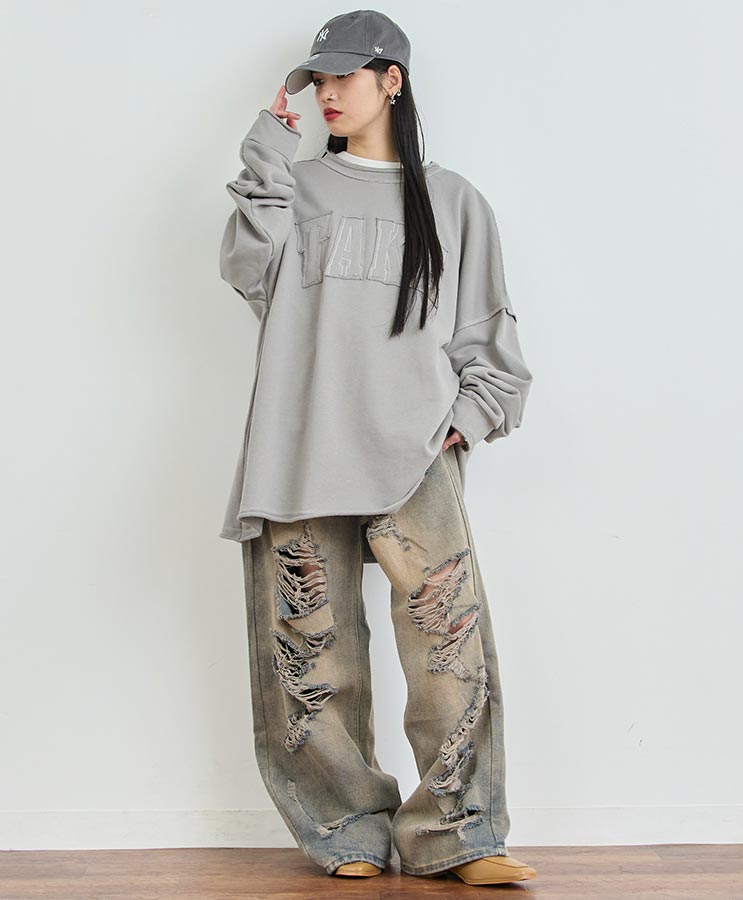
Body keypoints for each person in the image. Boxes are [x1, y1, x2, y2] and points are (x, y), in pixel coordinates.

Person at [217, 9, 536, 886]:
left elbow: (489, 341)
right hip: (300, 449)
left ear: (392, 80)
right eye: (318, 79)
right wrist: (267, 146)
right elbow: (246, 271)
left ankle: (458, 834)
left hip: (413, 454)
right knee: (310, 658)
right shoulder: (295, 186)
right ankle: (347, 829)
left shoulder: (454, 200)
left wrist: (464, 420)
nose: (328, 92)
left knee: (447, 653)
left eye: (345, 76)